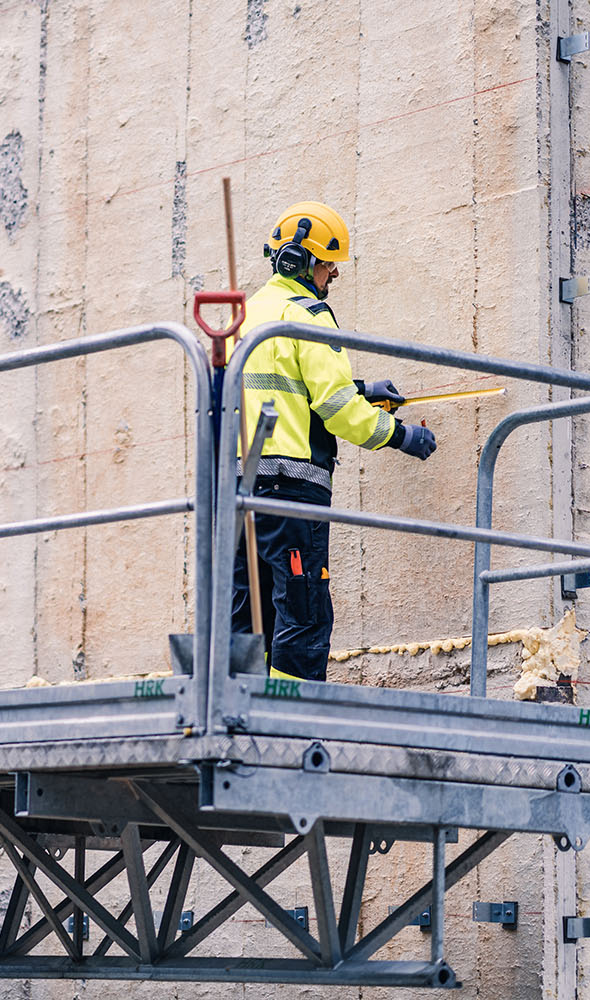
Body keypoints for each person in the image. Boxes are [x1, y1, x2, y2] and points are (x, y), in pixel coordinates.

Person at [229, 201, 436, 681]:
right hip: (292, 493)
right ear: (297, 262)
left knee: (247, 613)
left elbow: (285, 388)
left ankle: (243, 709)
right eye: (327, 264)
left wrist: (363, 390)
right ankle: (294, 727)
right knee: (303, 614)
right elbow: (337, 411)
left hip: (240, 489)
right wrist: (401, 435)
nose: (332, 275)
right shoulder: (308, 316)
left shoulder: (248, 314)